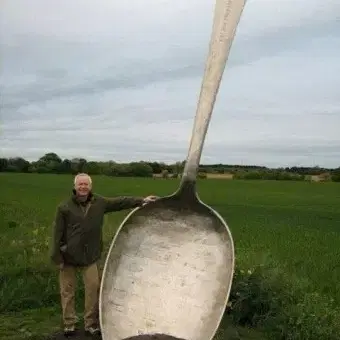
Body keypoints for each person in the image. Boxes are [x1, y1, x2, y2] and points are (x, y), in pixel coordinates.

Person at [50, 173, 159, 337]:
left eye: (86, 184)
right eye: (80, 184)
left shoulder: (99, 202)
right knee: (67, 292)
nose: (83, 187)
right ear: (75, 186)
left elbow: (120, 202)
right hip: (68, 257)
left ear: (90, 186)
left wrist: (141, 200)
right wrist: (56, 257)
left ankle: (90, 324)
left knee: (93, 290)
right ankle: (69, 323)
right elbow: (57, 234)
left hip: (90, 256)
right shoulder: (64, 207)